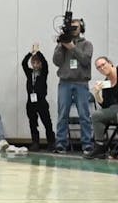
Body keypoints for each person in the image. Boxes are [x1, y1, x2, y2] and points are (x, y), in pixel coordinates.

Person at [52, 18, 93, 154]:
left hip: (81, 82)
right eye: (71, 27)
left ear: (81, 28)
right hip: (65, 82)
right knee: (62, 114)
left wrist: (73, 48)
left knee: (84, 115)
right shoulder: (63, 44)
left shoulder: (87, 44)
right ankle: (61, 144)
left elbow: (85, 60)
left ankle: (87, 144)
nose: (74, 29)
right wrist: (61, 45)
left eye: (76, 27)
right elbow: (56, 62)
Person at [21, 44, 54, 151]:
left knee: (47, 122)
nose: (35, 65)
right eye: (33, 62)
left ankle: (51, 142)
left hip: (41, 102)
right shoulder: (29, 73)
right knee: (33, 123)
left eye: (37, 63)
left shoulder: (43, 73)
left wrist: (38, 52)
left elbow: (45, 63)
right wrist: (31, 53)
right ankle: (35, 142)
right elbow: (23, 63)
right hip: (30, 102)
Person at [85, 56, 118, 159]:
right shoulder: (106, 83)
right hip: (113, 109)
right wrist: (97, 93)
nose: (102, 68)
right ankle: (100, 147)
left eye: (103, 64)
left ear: (110, 63)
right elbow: (105, 105)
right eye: (99, 67)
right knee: (96, 115)